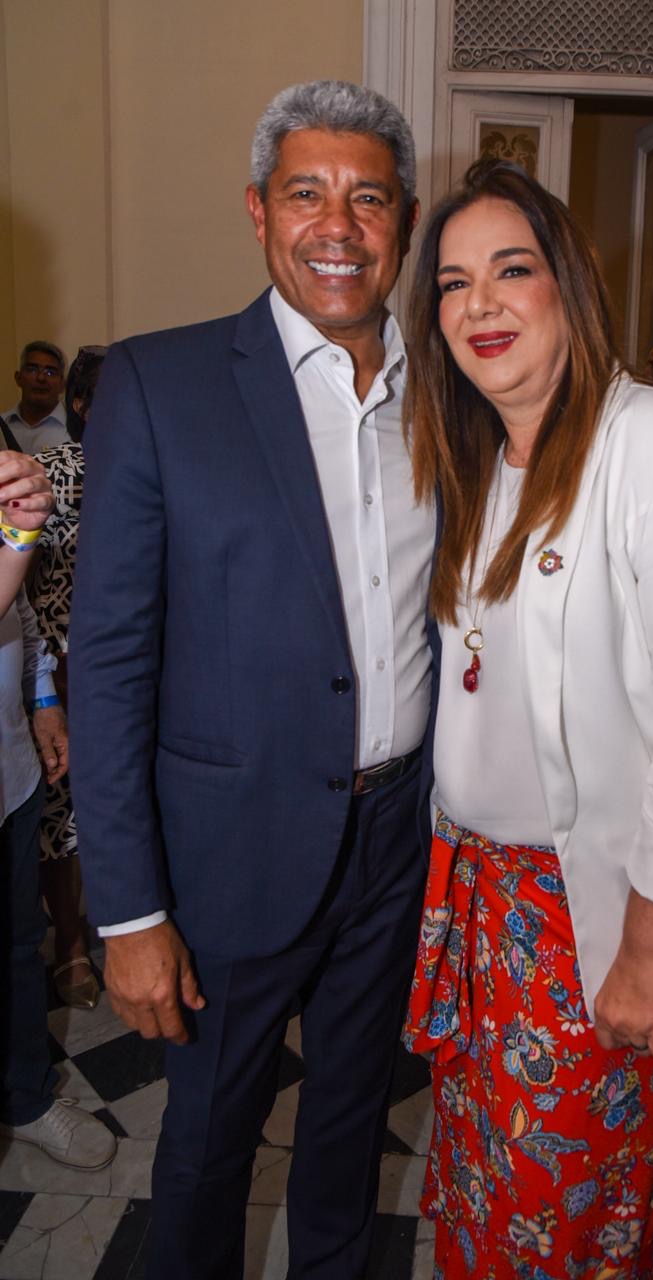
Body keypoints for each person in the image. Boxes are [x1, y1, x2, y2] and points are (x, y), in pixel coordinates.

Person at [69, 81, 435, 1280]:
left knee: (349, 1123)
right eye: (305, 193)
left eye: (367, 198)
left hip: (397, 836)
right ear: (257, 210)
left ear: (402, 219)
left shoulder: (447, 395)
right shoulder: (161, 383)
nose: (337, 225)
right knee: (209, 1142)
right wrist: (129, 911)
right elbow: (110, 659)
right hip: (227, 851)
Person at [401, 160, 653, 1279]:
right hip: (479, 908)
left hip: (598, 917)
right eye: (453, 282)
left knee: (575, 1227)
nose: (478, 303)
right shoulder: (472, 460)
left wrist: (647, 961)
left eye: (510, 270)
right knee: (486, 1202)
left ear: (568, 284)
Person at [0, 450, 116, 1171]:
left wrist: (42, 699)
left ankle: (27, 1095)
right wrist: (20, 537)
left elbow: (19, 609)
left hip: (8, 773)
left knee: (19, 946)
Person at [31, 347, 107, 1009]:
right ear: (80, 405)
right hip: (66, 666)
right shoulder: (53, 470)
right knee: (67, 811)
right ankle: (70, 944)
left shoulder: (160, 464)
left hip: (143, 665)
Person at [2, 342, 69, 456]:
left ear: (62, 384)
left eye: (50, 372)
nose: (41, 378)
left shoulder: (77, 429)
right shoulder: (2, 426)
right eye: (32, 370)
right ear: (18, 378)